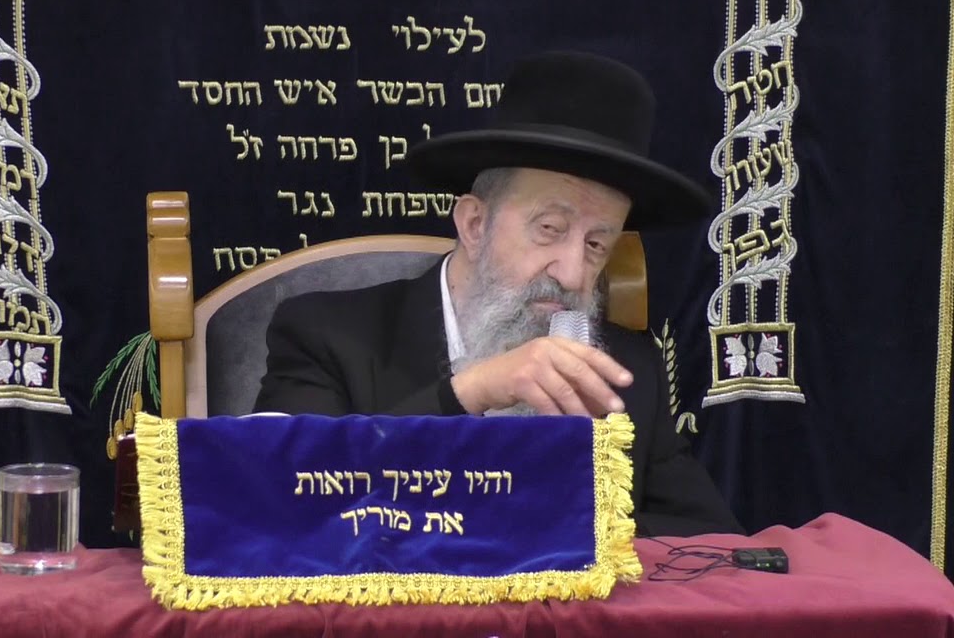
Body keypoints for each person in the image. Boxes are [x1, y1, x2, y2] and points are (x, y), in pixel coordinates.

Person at [254, 51, 743, 537]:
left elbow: (711, 541)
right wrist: (470, 392)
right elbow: (285, 510)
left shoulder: (628, 371)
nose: (573, 274)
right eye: (550, 229)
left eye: (596, 245)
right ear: (474, 225)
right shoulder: (327, 337)